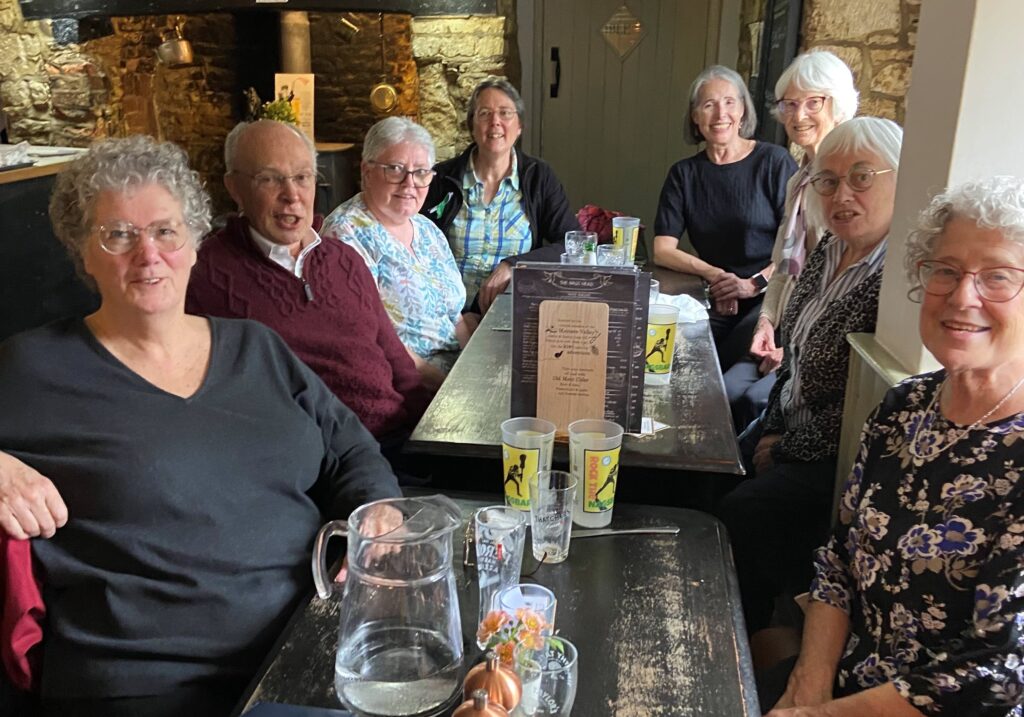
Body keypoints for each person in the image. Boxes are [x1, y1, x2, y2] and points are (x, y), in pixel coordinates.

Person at [0, 135, 401, 716]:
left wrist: (378, 509)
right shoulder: (37, 367)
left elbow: (350, 448)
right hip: (150, 684)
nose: (148, 254)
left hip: (312, 648)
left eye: (166, 230)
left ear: (194, 243)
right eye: (118, 235)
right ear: (81, 252)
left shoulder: (255, 348)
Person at [763, 175, 1024, 717]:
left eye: (997, 277)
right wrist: (810, 684)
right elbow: (837, 562)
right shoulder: (905, 406)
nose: (962, 295)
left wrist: (817, 714)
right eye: (945, 271)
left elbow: (994, 677)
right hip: (841, 681)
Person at [718, 117, 904, 636]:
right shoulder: (829, 251)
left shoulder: (894, 280)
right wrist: (773, 426)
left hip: (832, 455)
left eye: (862, 177)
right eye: (828, 180)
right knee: (710, 468)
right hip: (790, 428)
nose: (843, 193)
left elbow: (858, 407)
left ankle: (749, 633)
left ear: (899, 178)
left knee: (741, 509)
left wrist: (784, 447)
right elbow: (793, 357)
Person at [186, 119, 430, 451]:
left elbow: (398, 363)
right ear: (234, 187)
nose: (292, 196)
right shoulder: (204, 274)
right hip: (322, 463)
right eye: (270, 179)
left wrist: (430, 442)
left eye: (302, 177)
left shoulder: (343, 259)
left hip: (398, 442)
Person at [724, 51, 859, 431]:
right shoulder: (798, 181)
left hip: (818, 345)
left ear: (840, 104)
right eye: (790, 104)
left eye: (814, 102)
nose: (798, 116)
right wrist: (766, 324)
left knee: (751, 400)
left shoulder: (846, 189)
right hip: (787, 328)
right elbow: (784, 268)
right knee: (726, 392)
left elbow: (840, 287)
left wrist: (793, 350)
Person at [653, 65, 798, 372]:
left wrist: (752, 284)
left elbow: (798, 248)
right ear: (695, 117)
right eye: (708, 105)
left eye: (730, 102)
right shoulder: (684, 174)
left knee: (724, 368)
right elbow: (662, 249)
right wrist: (716, 275)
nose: (721, 114)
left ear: (743, 111)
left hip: (766, 299)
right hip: (714, 295)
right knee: (673, 358)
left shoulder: (774, 162)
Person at [321, 117, 469, 390]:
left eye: (421, 172)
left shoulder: (427, 229)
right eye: (395, 169)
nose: (409, 183)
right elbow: (372, 340)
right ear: (366, 171)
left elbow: (455, 317)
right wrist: (449, 388)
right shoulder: (345, 235)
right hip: (406, 387)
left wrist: (474, 371)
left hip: (455, 376)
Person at [423, 77, 579, 313]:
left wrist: (514, 265)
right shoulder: (442, 178)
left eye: (505, 113)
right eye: (484, 113)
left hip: (513, 311)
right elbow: (415, 242)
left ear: (519, 127)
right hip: (447, 312)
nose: (495, 122)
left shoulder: (539, 177)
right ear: (472, 126)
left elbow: (571, 244)